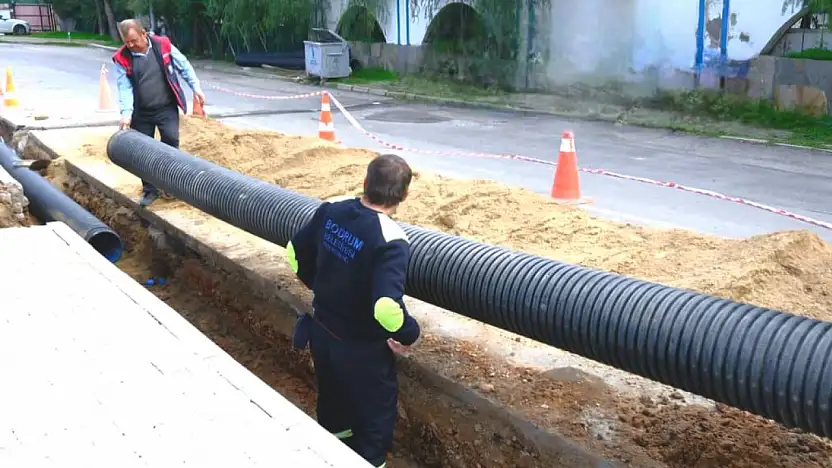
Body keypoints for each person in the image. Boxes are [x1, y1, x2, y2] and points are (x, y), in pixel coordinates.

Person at [287, 154, 421, 468]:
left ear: (365, 183)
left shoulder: (332, 209)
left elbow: (294, 252)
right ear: (404, 196)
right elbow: (386, 307)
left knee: (332, 400)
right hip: (362, 349)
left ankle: (330, 455)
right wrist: (410, 334)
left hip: (322, 332)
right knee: (375, 414)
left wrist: (323, 286)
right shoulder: (391, 240)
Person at [111, 18, 206, 207]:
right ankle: (150, 191)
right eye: (126, 42)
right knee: (143, 152)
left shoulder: (163, 46)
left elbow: (183, 65)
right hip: (142, 112)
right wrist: (126, 114)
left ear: (143, 34)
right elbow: (124, 88)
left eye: (134, 40)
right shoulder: (122, 58)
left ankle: (171, 186)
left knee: (171, 143)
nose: (130, 45)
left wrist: (196, 88)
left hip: (166, 107)